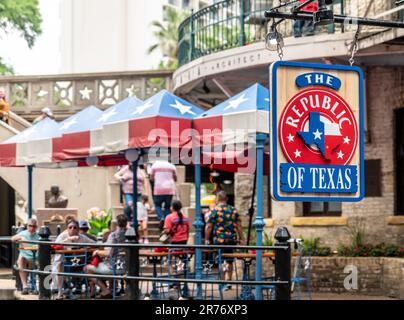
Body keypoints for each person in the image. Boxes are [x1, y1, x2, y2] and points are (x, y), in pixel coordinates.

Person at [204, 191, 245, 291]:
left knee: (221, 260)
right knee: (229, 260)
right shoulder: (233, 210)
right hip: (231, 239)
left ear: (217, 199)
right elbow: (239, 226)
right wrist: (242, 238)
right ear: (226, 199)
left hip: (219, 240)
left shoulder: (215, 210)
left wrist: (206, 239)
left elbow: (209, 226)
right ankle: (229, 281)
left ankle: (222, 282)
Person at [85, 214, 128, 299]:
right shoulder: (129, 233)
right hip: (126, 266)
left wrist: (97, 252)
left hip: (114, 267)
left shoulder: (114, 235)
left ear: (115, 223)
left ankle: (105, 290)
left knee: (86, 268)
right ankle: (110, 289)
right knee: (101, 265)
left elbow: (108, 253)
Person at [53, 219, 95, 299]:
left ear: (78, 229)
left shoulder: (82, 237)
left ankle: (88, 289)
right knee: (59, 266)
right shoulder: (63, 236)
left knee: (91, 265)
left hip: (80, 264)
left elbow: (95, 244)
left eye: (75, 227)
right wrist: (67, 240)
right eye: (70, 227)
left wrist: (87, 247)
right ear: (67, 229)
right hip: (65, 263)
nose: (72, 229)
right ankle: (60, 292)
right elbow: (55, 246)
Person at [11, 218, 40, 295]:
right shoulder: (23, 233)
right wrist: (20, 238)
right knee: (21, 260)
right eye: (30, 226)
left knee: (44, 263)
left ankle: (39, 287)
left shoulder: (39, 235)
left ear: (36, 227)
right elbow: (12, 238)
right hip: (25, 258)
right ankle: (25, 287)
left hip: (36, 258)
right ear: (27, 226)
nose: (31, 228)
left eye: (34, 226)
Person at [150, 160, 177, 230]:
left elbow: (151, 178)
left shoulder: (154, 165)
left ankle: (161, 217)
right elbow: (175, 178)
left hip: (158, 189)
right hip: (169, 189)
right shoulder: (172, 166)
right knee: (167, 206)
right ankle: (166, 221)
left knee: (157, 205)